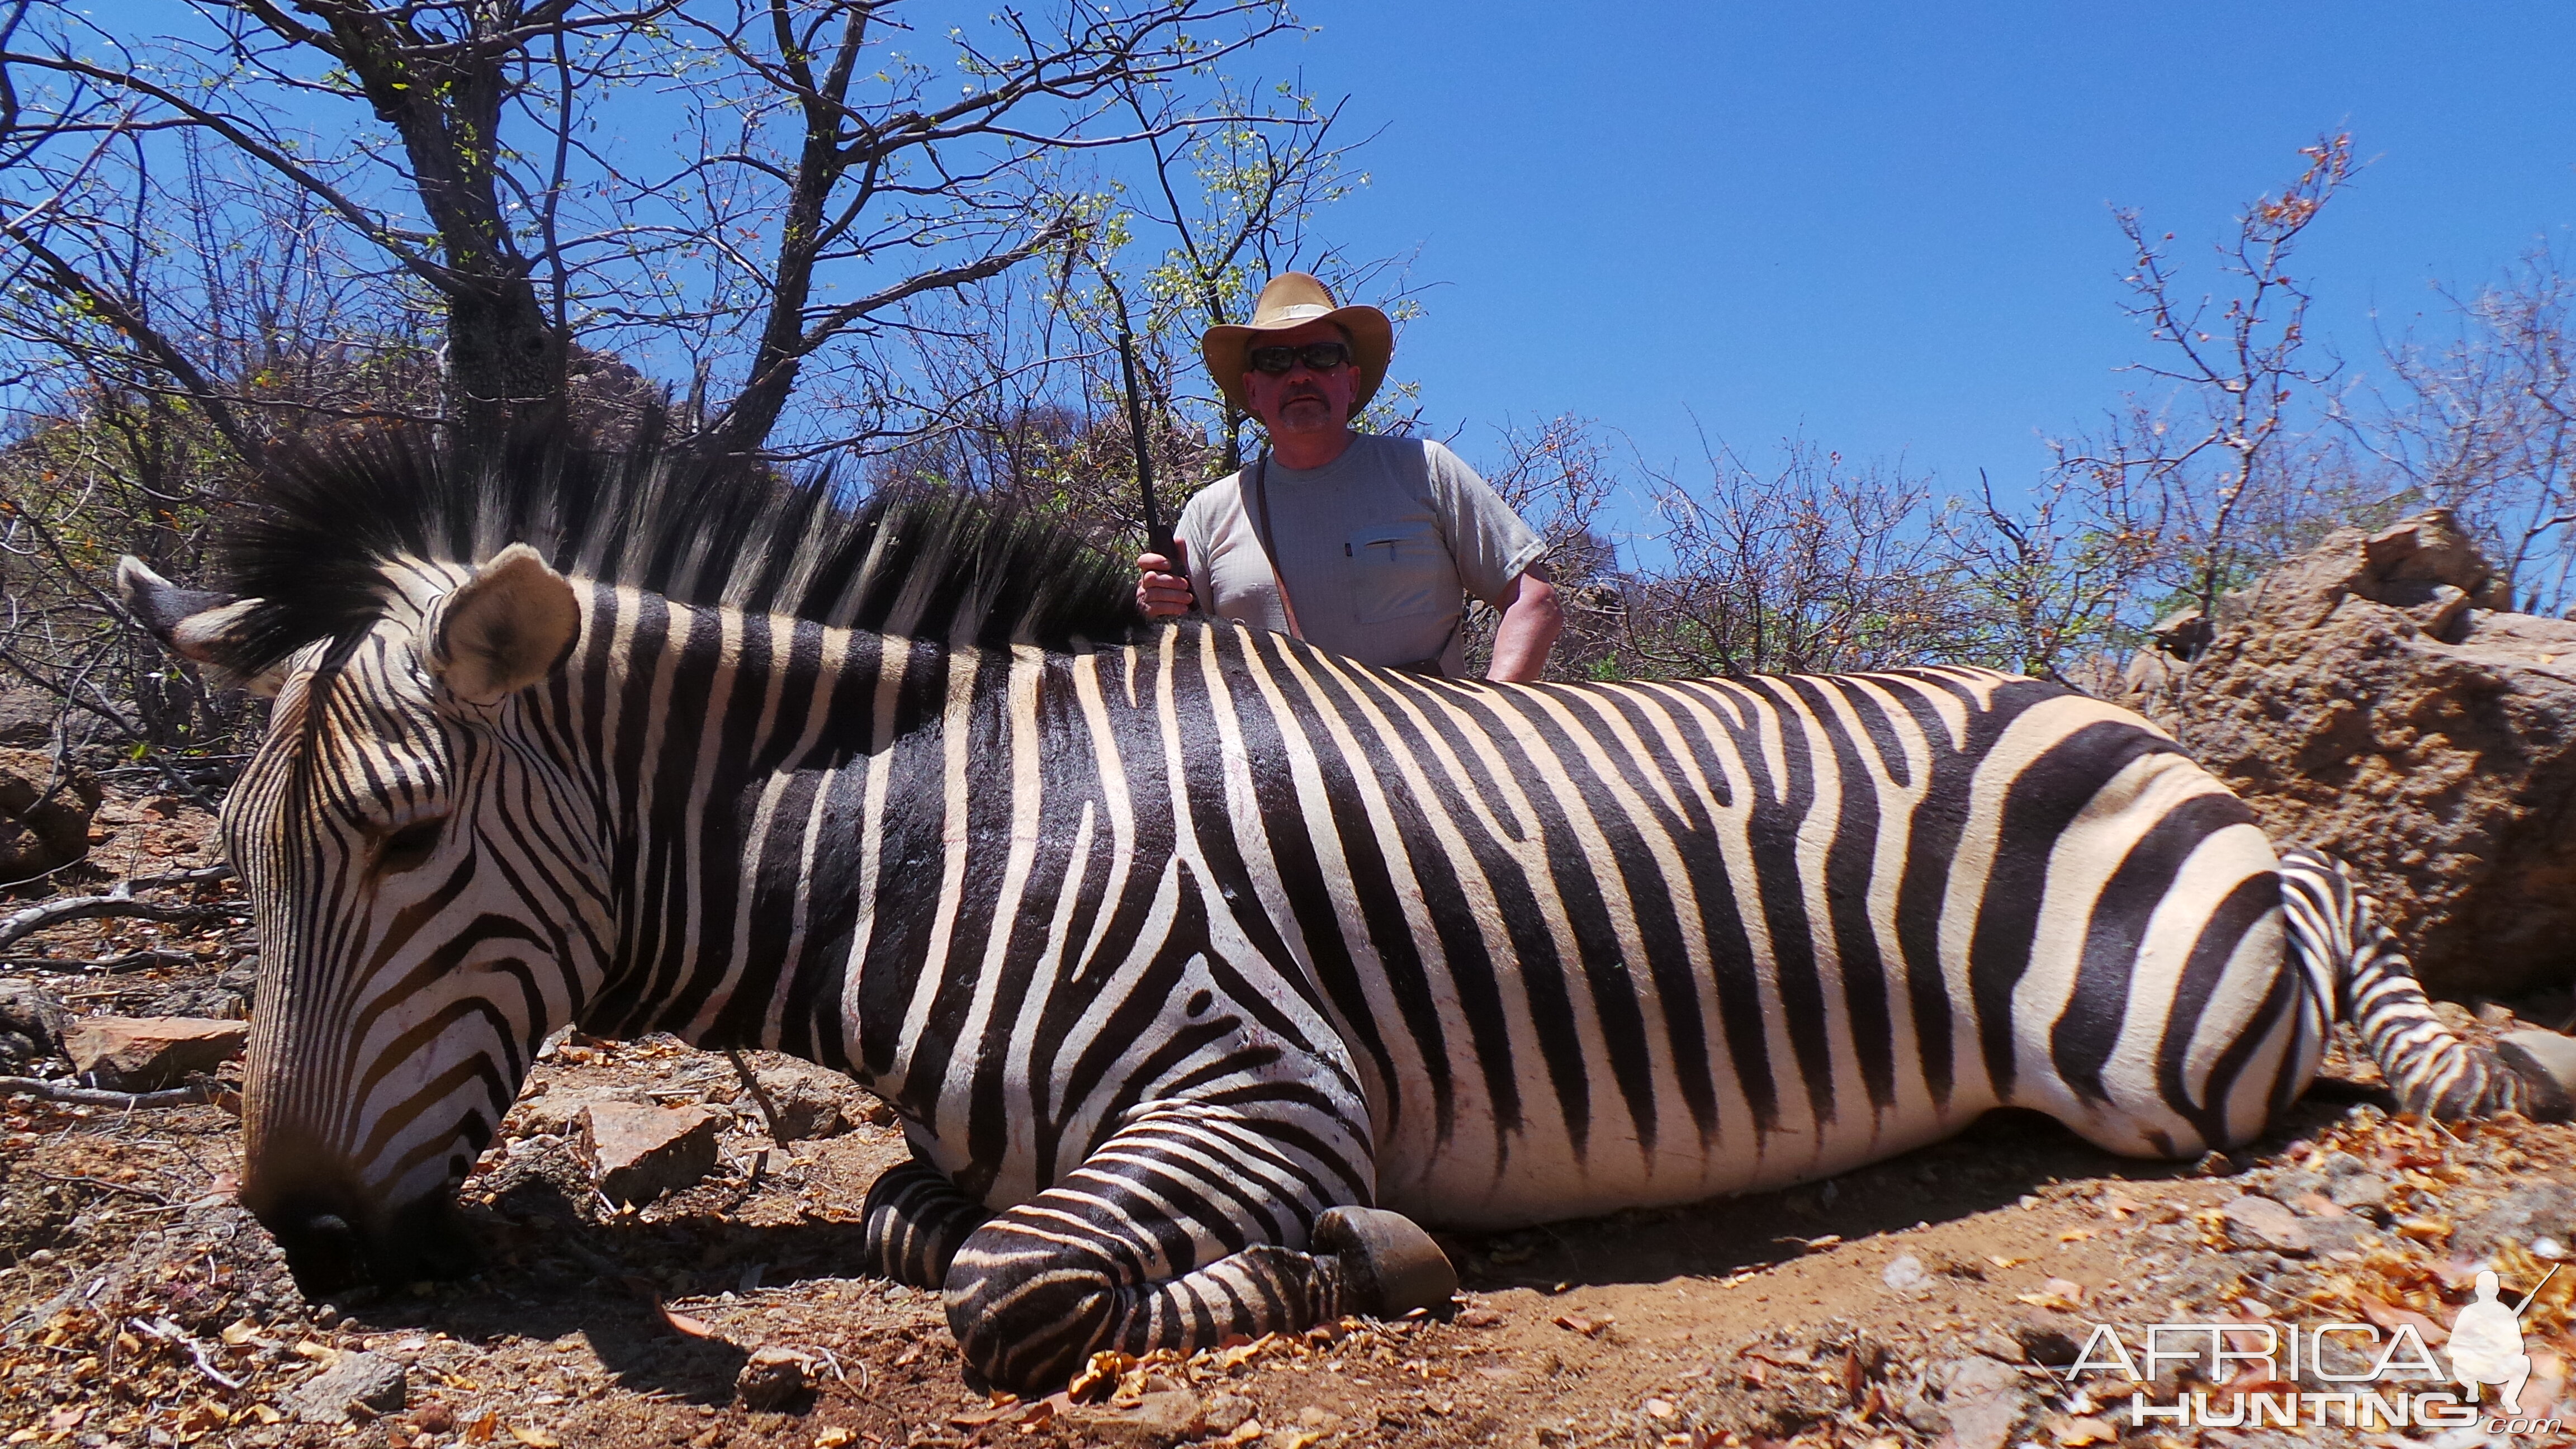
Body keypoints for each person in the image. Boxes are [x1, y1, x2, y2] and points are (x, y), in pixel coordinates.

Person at [1134, 273, 1562, 681]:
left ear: (1352, 381)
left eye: (1321, 356)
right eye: (1276, 360)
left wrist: (1486, 724)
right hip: (1273, 757)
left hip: (1425, 751)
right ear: (1252, 390)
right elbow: (1181, 658)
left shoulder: (1426, 470)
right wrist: (1156, 612)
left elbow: (1533, 599)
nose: (1300, 375)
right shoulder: (1209, 513)